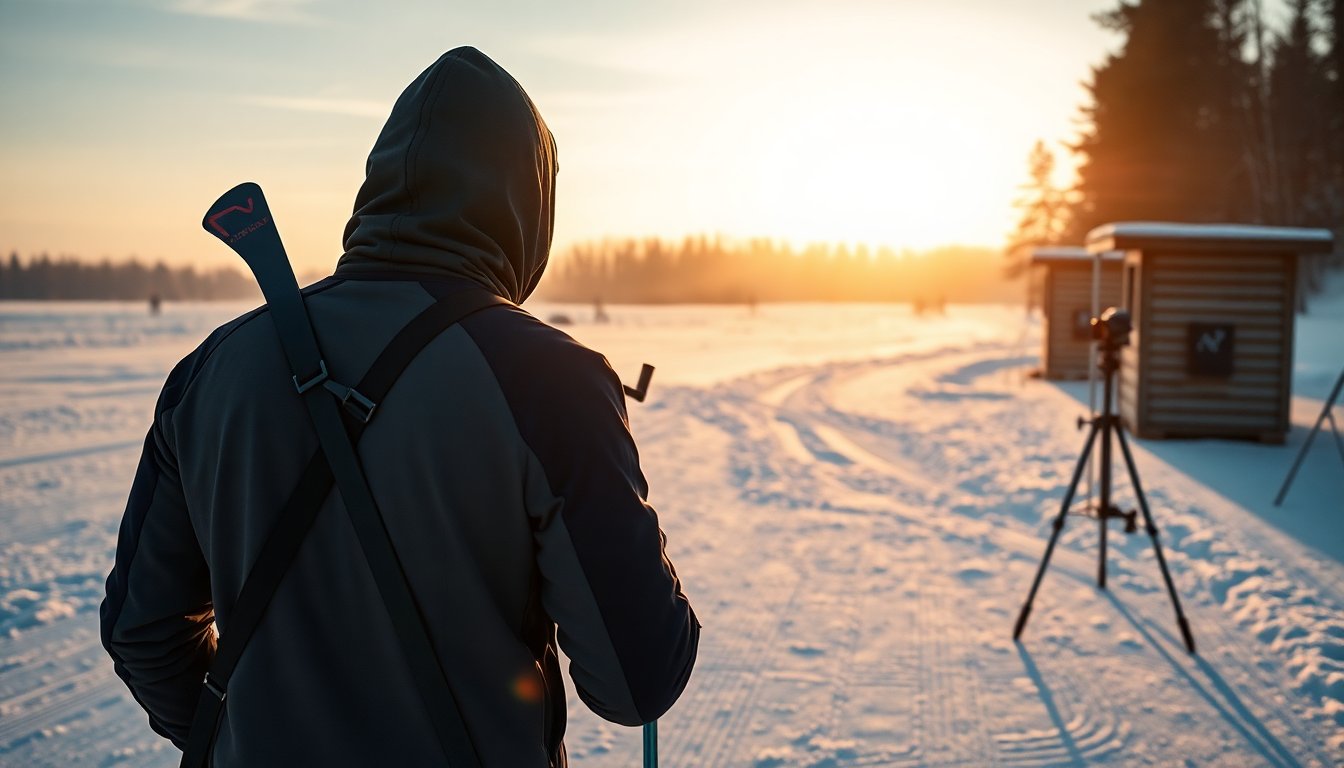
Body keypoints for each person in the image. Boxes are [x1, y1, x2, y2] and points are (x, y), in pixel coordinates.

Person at [100, 46, 699, 767]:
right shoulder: (551, 383)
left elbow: (143, 632)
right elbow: (637, 683)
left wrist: (241, 735)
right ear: (528, 207)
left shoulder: (212, 370)